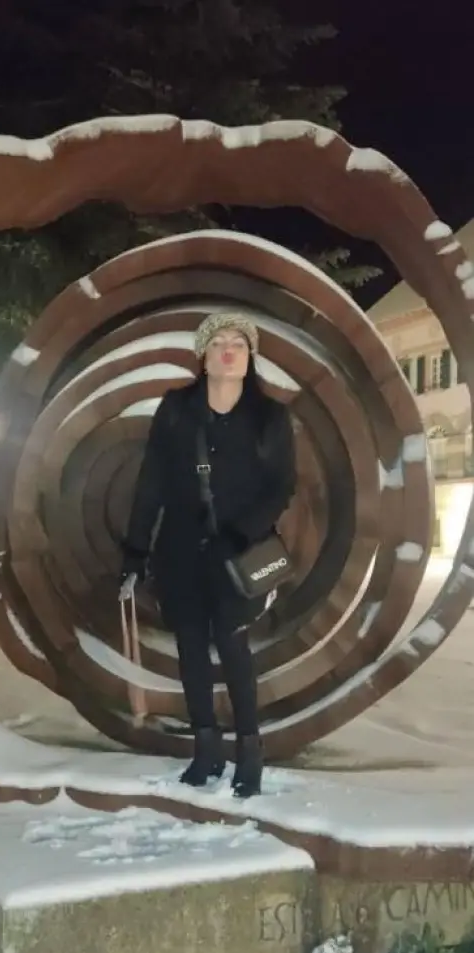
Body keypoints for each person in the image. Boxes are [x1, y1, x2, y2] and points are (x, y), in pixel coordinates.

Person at [119, 312, 296, 798]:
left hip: (238, 553)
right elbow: (151, 483)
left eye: (238, 343)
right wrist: (135, 550)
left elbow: (281, 486)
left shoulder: (270, 416)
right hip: (179, 550)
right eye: (218, 342)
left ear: (250, 356)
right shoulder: (177, 409)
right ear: (203, 355)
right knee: (191, 649)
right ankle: (207, 750)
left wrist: (241, 534)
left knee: (234, 648)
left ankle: (250, 754)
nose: (228, 350)